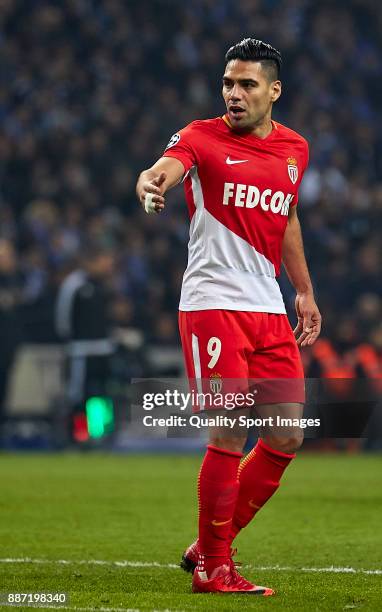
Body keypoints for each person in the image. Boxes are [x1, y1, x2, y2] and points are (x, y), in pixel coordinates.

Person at [136, 38, 321, 596]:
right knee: (230, 431)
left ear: (273, 91)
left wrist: (305, 291)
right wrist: (150, 184)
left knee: (287, 435)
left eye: (245, 85)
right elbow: (164, 168)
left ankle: (208, 543)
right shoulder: (201, 136)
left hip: (267, 306)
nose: (233, 95)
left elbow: (285, 219)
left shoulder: (295, 150)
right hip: (213, 304)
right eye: (227, 84)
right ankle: (216, 568)